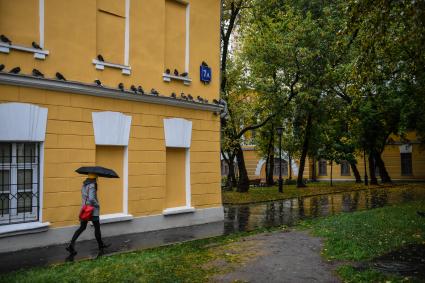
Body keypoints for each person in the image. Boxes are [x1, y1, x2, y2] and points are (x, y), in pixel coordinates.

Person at [66, 173, 110, 255]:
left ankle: (71, 245)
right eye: (97, 177)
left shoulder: (84, 184)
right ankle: (100, 246)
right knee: (97, 227)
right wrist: (97, 204)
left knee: (82, 227)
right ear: (95, 178)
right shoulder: (92, 185)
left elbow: (84, 197)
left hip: (85, 209)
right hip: (92, 210)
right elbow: (91, 198)